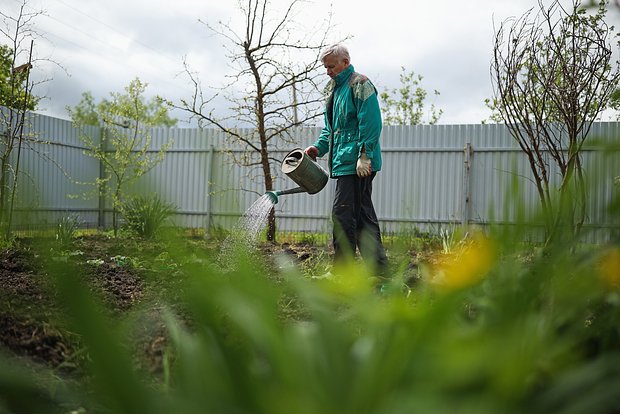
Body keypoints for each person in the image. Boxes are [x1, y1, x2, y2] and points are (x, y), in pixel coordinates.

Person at [305, 43, 388, 277]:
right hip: (343, 163)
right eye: (325, 67)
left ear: (345, 62)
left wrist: (365, 156)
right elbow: (331, 130)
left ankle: (344, 274)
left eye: (331, 66)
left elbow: (371, 123)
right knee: (361, 218)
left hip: (358, 165)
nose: (328, 71)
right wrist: (317, 148)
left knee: (343, 215)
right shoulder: (332, 90)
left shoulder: (360, 84)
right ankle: (378, 273)